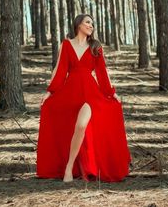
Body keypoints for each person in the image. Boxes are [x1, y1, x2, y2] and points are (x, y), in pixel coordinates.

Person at [36, 14, 131, 182]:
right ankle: (74, 168)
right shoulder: (66, 44)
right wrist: (50, 92)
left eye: (92, 23)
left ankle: (68, 168)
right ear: (78, 24)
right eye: (88, 22)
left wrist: (112, 93)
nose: (91, 25)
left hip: (90, 93)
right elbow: (60, 70)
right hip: (70, 92)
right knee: (69, 125)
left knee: (81, 126)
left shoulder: (95, 47)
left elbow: (102, 73)